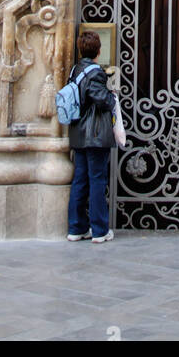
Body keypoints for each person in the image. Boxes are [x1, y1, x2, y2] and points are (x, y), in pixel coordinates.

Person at [66, 30, 119, 244]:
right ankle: (99, 230)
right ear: (98, 50)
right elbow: (101, 99)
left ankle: (76, 227)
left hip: (79, 133)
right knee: (97, 180)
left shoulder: (74, 69)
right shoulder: (95, 72)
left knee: (80, 179)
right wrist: (111, 96)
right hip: (95, 134)